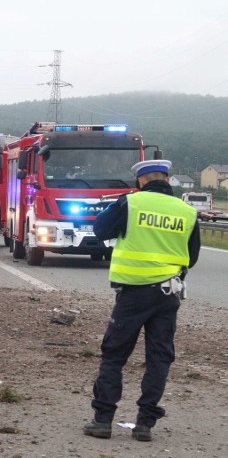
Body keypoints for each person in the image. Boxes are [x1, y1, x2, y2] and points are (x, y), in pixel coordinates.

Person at [83, 159, 200, 442]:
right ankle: (145, 424)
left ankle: (103, 421)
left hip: (133, 294)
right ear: (168, 180)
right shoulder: (187, 212)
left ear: (141, 181)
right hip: (168, 294)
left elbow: (100, 230)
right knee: (159, 357)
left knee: (114, 355)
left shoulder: (130, 204)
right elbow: (192, 256)